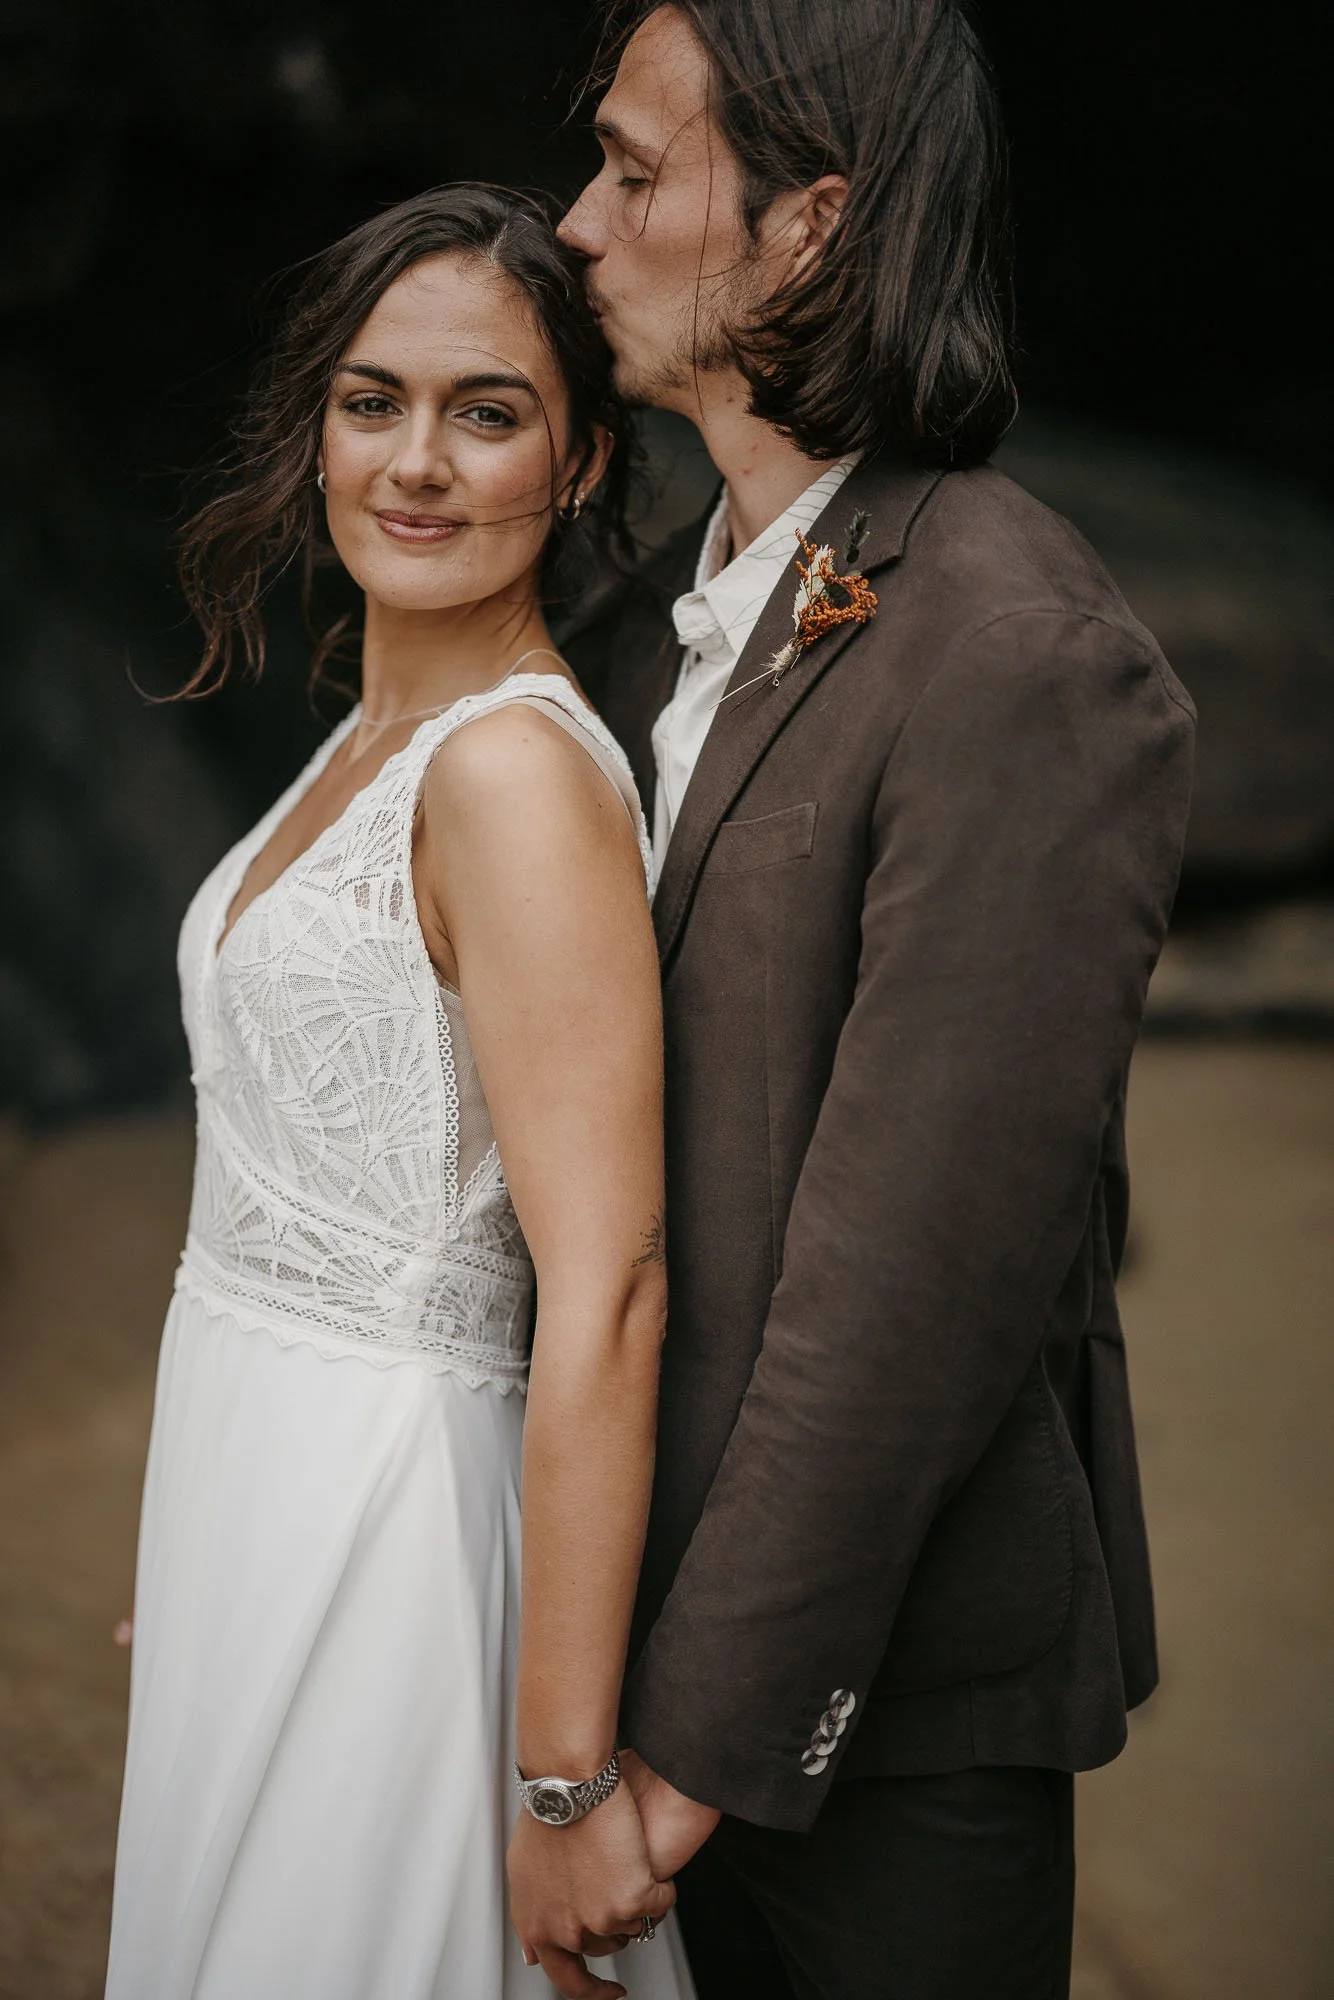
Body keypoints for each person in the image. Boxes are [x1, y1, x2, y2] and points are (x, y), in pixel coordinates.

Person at [549, 3, 1197, 1994]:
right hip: (594, 1657)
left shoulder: (1016, 652)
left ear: (811, 227)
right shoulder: (634, 629)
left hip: (877, 1726)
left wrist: (688, 1765)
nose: (578, 224)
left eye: (640, 172)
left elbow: (909, 1290)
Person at [105, 185, 696, 2000]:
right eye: (372, 402)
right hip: (261, 1495)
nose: (416, 462)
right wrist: (215, 1537)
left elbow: (606, 1288)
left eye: (488, 411)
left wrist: (556, 1773)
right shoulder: (365, 733)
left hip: (401, 1538)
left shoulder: (512, 776)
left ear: (584, 461)